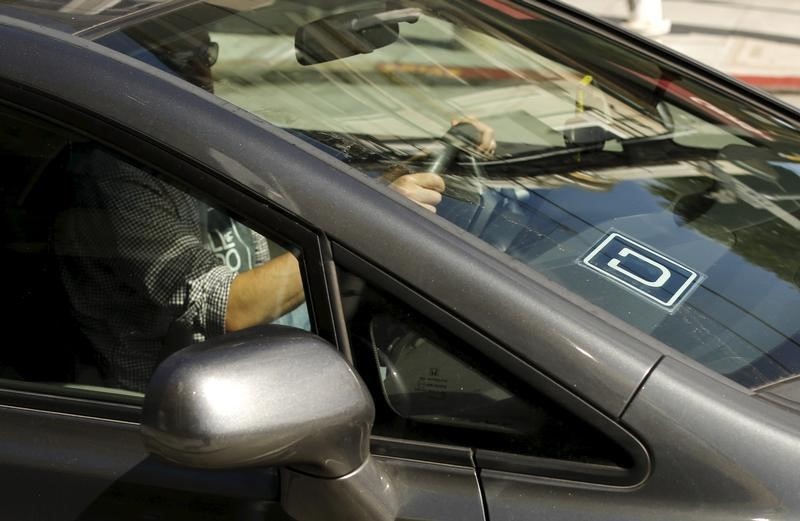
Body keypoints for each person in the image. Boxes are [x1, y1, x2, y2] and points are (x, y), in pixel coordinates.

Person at [55, 26, 494, 392]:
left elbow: (314, 200)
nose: (198, 69)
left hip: (282, 367)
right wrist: (373, 228)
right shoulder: (115, 175)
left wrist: (411, 171)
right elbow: (230, 310)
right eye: (174, 59)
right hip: (183, 408)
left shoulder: (200, 135)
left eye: (203, 53)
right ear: (129, 75)